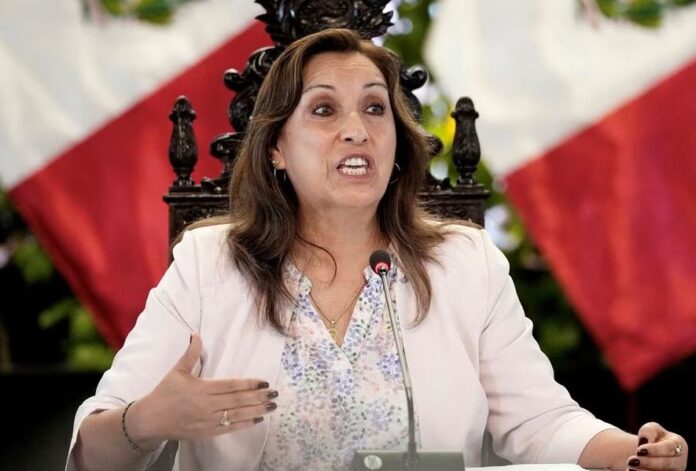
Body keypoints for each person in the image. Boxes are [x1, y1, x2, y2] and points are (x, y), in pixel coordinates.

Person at [66, 28, 688, 471]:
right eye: (324, 110)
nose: (356, 130)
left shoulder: (464, 262)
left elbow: (540, 421)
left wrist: (634, 453)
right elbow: (92, 454)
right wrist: (148, 420)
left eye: (374, 107)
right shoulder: (209, 265)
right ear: (276, 148)